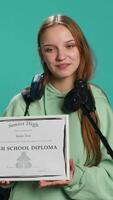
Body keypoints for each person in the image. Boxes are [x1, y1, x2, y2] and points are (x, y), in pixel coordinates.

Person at [0, 14, 113, 200]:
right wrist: (5, 178)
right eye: (50, 49)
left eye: (69, 46)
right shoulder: (21, 104)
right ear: (42, 54)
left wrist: (75, 176)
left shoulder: (97, 103)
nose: (61, 56)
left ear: (81, 49)